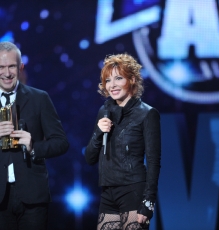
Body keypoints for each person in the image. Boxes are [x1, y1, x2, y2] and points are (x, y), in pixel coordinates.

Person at [85, 53, 161, 230]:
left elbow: (153, 161)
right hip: (108, 192)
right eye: (108, 80)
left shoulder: (147, 114)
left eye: (118, 78)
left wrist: (148, 202)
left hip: (133, 191)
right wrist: (98, 131)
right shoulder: (103, 111)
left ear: (132, 79)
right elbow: (90, 158)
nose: (112, 85)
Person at [0, 41, 69, 230]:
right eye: (1, 67)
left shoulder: (39, 98)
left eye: (12, 66)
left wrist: (34, 147)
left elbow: (61, 142)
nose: (6, 73)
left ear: (21, 67)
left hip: (33, 197)